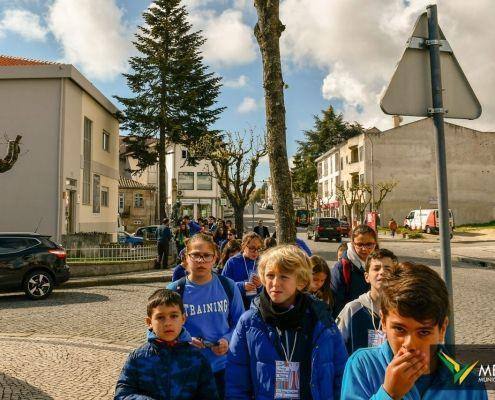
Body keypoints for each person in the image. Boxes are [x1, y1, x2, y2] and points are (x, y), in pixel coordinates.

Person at [341, 262, 487, 399]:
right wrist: (389, 394)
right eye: (399, 329)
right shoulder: (363, 366)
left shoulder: (468, 383)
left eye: (423, 332)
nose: (410, 344)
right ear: (384, 322)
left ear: (442, 329)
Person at [225, 245, 348, 399]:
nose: (275, 282)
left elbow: (341, 372)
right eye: (270, 275)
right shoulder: (249, 322)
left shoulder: (321, 319)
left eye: (284, 276)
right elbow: (236, 382)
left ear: (301, 282)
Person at [167, 233, 244, 399]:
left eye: (206, 256)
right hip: (186, 370)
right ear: (186, 258)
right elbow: (156, 330)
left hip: (222, 369)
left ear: (215, 258)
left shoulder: (228, 286)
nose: (201, 261)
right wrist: (184, 339)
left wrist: (227, 339)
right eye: (195, 255)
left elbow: (240, 322)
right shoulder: (174, 290)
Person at [114, 289, 219, 400]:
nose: (168, 323)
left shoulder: (197, 358)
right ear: (149, 322)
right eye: (160, 317)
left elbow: (210, 395)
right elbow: (122, 394)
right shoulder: (138, 357)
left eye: (173, 316)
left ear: (183, 319)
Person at [336, 249, 397, 355]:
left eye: (387, 268)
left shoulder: (401, 311)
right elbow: (335, 346)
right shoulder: (352, 309)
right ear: (366, 277)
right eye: (376, 269)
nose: (382, 272)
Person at [331, 224, 378, 318]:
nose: (364, 249)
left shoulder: (380, 264)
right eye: (360, 245)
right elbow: (336, 303)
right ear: (352, 243)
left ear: (375, 243)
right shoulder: (342, 267)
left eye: (369, 244)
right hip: (350, 322)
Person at [222, 232, 264, 310]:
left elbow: (269, 288)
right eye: (252, 248)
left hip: (256, 308)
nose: (256, 252)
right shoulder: (232, 262)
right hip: (236, 307)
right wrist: (242, 286)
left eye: (258, 248)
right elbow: (223, 285)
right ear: (243, 246)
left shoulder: (262, 262)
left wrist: (260, 285)